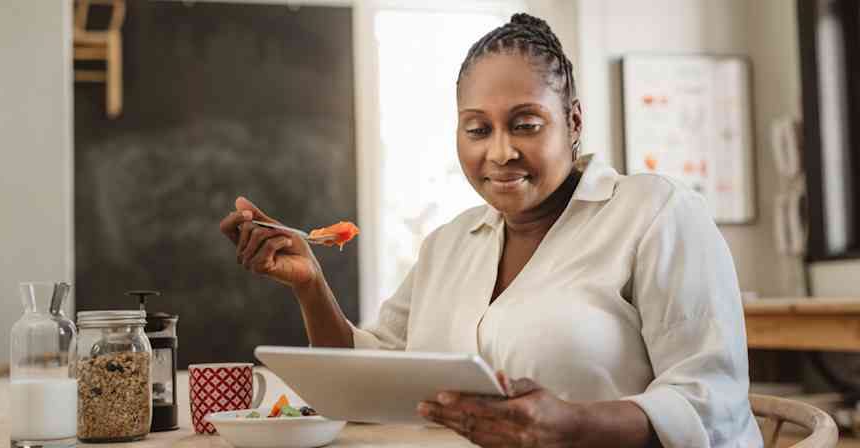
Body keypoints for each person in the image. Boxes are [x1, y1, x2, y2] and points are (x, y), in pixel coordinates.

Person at [219, 13, 762, 448]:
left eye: (525, 124)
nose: (500, 152)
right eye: (478, 129)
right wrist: (310, 283)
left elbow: (710, 401)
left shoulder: (655, 213)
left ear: (573, 122)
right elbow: (362, 381)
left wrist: (569, 427)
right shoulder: (449, 245)